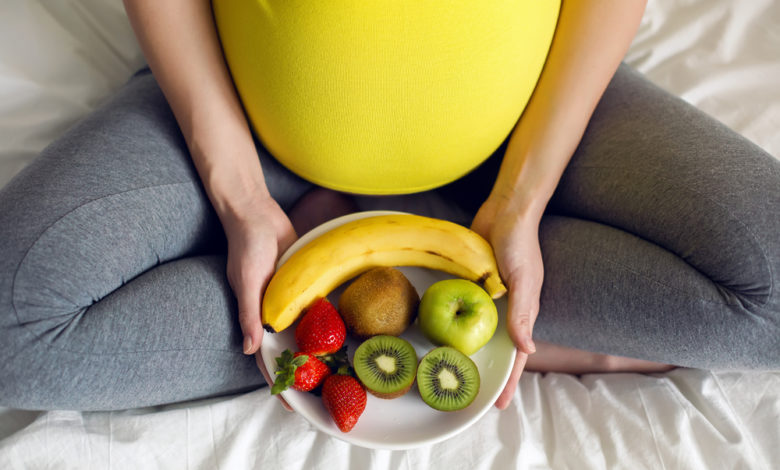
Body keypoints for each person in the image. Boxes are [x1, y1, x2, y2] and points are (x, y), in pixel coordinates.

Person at [0, 0, 778, 412]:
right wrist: (235, 192)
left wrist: (522, 198)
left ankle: (367, 310)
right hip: (243, 126)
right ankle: (393, 309)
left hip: (529, 124)